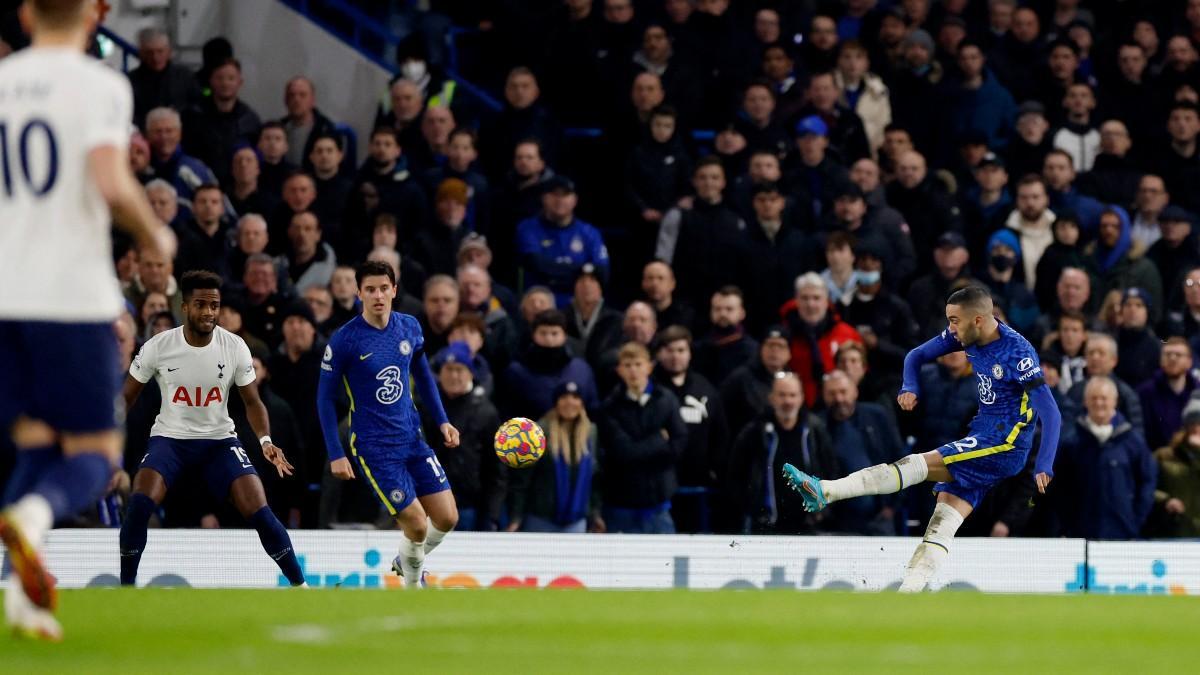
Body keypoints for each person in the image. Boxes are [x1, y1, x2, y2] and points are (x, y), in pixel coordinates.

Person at [0, 0, 176, 641]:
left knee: (36, 442)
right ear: (95, 16)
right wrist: (155, 231)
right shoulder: (100, 83)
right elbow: (108, 178)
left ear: (26, 13)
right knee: (99, 456)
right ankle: (34, 516)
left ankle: (23, 600)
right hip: (70, 298)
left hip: (6, 298)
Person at [784, 287, 1061, 592]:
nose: (951, 329)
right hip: (982, 434)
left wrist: (1044, 464)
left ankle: (826, 490)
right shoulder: (964, 334)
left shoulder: (1018, 354)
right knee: (943, 519)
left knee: (916, 464)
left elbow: (1051, 412)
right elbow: (916, 355)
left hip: (1005, 443)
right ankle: (909, 593)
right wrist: (910, 386)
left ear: (979, 320)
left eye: (955, 320)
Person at [119, 271, 304, 588]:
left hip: (219, 440)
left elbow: (253, 402)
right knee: (139, 502)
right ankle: (125, 589)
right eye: (201, 304)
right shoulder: (158, 346)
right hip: (170, 440)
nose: (209, 312)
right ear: (185, 306)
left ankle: (302, 588)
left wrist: (265, 440)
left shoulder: (235, 347)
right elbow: (126, 399)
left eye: (214, 305)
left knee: (259, 508)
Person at [316, 261, 461, 588]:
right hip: (374, 447)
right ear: (359, 293)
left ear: (394, 290)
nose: (378, 295)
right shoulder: (345, 340)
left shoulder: (409, 326)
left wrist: (443, 422)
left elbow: (423, 375)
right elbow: (324, 399)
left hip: (413, 439)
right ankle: (413, 589)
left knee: (448, 518)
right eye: (370, 289)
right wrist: (335, 453)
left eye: (384, 288)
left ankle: (406, 559)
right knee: (417, 525)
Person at [727, 372, 838, 534]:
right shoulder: (754, 432)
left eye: (792, 395)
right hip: (765, 527)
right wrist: (752, 509)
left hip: (810, 526)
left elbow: (831, 470)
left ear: (801, 398)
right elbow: (735, 475)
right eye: (782, 395)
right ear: (771, 398)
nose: (788, 401)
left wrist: (822, 510)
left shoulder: (815, 430)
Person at [597, 342, 687, 534]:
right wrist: (659, 440)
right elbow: (623, 453)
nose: (633, 371)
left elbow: (679, 444)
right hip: (621, 503)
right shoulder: (610, 407)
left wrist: (640, 450)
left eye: (638, 364)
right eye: (627, 365)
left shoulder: (666, 400)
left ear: (649, 366)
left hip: (658, 501)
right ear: (619, 370)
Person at [1055, 377, 1156, 540]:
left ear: (1114, 401)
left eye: (1104, 398)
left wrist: (1135, 520)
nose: (1099, 403)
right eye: (1094, 398)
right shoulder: (1071, 441)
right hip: (1081, 536)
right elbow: (1060, 487)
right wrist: (1068, 524)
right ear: (1085, 402)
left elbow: (1147, 482)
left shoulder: (1132, 441)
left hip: (1122, 534)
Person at [653, 325, 729, 534]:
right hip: (659, 488)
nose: (675, 356)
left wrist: (715, 469)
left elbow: (720, 433)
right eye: (669, 350)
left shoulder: (704, 388)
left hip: (698, 485)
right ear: (659, 353)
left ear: (689, 353)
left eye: (680, 350)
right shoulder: (650, 388)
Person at [426, 343, 505, 532]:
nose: (454, 376)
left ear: (470, 373)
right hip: (428, 503)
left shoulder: (485, 412)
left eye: (459, 369)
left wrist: (491, 515)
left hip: (468, 506)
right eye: (449, 369)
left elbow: (496, 470)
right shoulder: (425, 406)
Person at [507, 381, 603, 533]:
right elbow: (523, 480)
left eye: (575, 397)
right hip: (541, 518)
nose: (570, 402)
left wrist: (596, 513)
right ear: (556, 402)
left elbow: (595, 479)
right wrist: (515, 517)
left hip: (576, 520)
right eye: (564, 397)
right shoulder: (538, 433)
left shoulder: (591, 433)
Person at [1137, 338, 1197, 453]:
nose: (1172, 358)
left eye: (1178, 355)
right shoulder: (1145, 393)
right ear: (1161, 360)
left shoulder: (1197, 392)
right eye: (1168, 354)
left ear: (1189, 362)